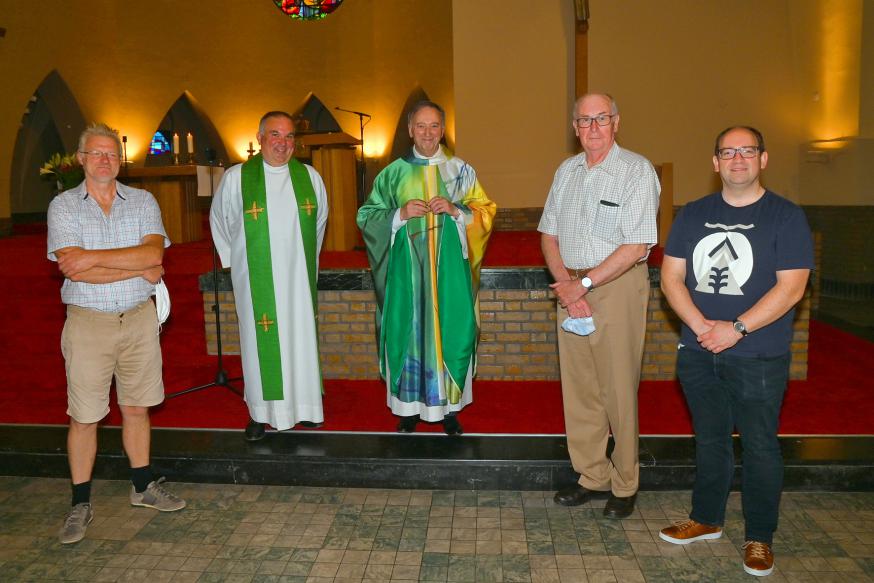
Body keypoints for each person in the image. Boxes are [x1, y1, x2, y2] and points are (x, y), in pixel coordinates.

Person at [658, 126, 813, 577]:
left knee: (760, 445)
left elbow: (792, 288)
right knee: (709, 439)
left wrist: (738, 328)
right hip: (698, 348)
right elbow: (671, 278)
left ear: (763, 159)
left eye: (747, 151)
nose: (738, 159)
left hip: (759, 353)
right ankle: (706, 518)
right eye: (728, 152)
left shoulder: (786, 216)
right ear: (715, 162)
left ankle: (760, 537)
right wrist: (701, 326)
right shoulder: (692, 213)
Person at [47, 123, 186, 545]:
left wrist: (96, 262)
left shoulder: (142, 201)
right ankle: (80, 503)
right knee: (85, 416)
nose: (105, 160)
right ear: (82, 159)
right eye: (97, 153)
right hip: (88, 322)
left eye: (112, 154)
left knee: (138, 407)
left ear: (119, 160)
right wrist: (134, 266)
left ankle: (143, 487)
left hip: (139, 320)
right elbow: (70, 266)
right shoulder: (64, 206)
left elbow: (154, 255)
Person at [540, 93, 659, 518]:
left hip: (616, 287)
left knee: (617, 388)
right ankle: (592, 475)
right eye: (584, 120)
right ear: (574, 127)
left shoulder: (635, 171)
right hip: (570, 285)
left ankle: (625, 483)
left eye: (601, 119)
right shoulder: (566, 171)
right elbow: (549, 234)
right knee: (580, 389)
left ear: (616, 122)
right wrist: (567, 284)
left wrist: (584, 284)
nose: (593, 128)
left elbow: (638, 243)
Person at [357, 101, 495, 435]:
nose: (428, 133)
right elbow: (366, 216)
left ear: (443, 129)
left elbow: (485, 212)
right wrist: (398, 215)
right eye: (421, 126)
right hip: (407, 278)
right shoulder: (392, 174)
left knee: (449, 332)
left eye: (434, 126)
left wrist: (457, 211)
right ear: (409, 130)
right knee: (409, 331)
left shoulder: (461, 170)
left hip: (447, 277)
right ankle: (408, 411)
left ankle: (449, 411)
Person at [210, 111, 328, 441]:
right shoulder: (237, 178)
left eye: (289, 136)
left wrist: (306, 263)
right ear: (260, 138)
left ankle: (306, 408)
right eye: (275, 135)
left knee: (301, 338)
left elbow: (319, 224)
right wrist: (235, 265)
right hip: (256, 277)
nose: (283, 143)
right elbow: (219, 221)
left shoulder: (309, 177)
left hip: (297, 277)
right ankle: (260, 414)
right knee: (258, 343)